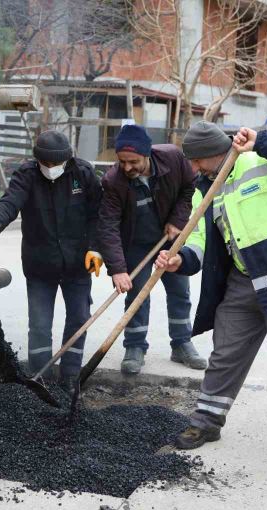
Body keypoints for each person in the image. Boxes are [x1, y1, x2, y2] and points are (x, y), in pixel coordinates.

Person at [155, 122, 267, 461]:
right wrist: (180, 259)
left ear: (214, 153)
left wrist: (264, 142)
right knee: (225, 354)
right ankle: (206, 420)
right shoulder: (204, 189)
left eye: (197, 161)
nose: (193, 169)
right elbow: (199, 238)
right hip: (243, 281)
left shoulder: (263, 161)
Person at [0, 130, 102, 393]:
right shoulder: (27, 175)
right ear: (37, 161)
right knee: (39, 322)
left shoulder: (83, 174)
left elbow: (98, 215)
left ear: (67, 160)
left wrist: (96, 249)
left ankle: (70, 376)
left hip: (77, 265)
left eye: (55, 164)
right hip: (40, 264)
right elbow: (10, 202)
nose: (50, 169)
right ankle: (40, 377)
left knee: (79, 318)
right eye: (44, 164)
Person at [98, 124, 205, 375]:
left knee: (180, 292)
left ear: (147, 154)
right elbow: (108, 226)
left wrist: (178, 220)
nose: (127, 168)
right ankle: (134, 347)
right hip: (136, 244)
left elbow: (189, 188)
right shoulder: (113, 181)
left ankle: (181, 343)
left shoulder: (172, 157)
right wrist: (118, 269)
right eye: (122, 162)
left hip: (169, 241)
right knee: (137, 296)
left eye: (133, 161)